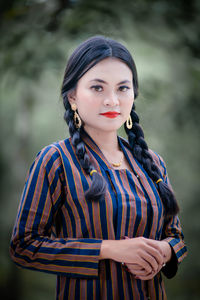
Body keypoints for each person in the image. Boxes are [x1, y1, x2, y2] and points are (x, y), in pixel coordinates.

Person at [10, 36, 187, 300]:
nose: (112, 100)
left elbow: (175, 235)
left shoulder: (152, 162)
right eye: (97, 88)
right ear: (72, 96)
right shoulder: (56, 160)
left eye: (123, 88)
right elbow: (24, 246)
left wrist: (164, 252)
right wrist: (108, 249)